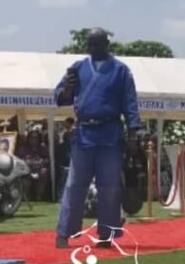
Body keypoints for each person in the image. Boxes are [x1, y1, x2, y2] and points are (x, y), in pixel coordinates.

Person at [54, 28, 141, 249]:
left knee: (109, 186)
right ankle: (64, 232)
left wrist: (133, 132)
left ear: (106, 44)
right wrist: (69, 87)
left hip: (110, 133)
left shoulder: (121, 70)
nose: (92, 48)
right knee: (74, 185)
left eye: (97, 44)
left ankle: (106, 234)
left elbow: (130, 103)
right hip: (84, 133)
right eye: (89, 44)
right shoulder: (78, 67)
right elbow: (61, 98)